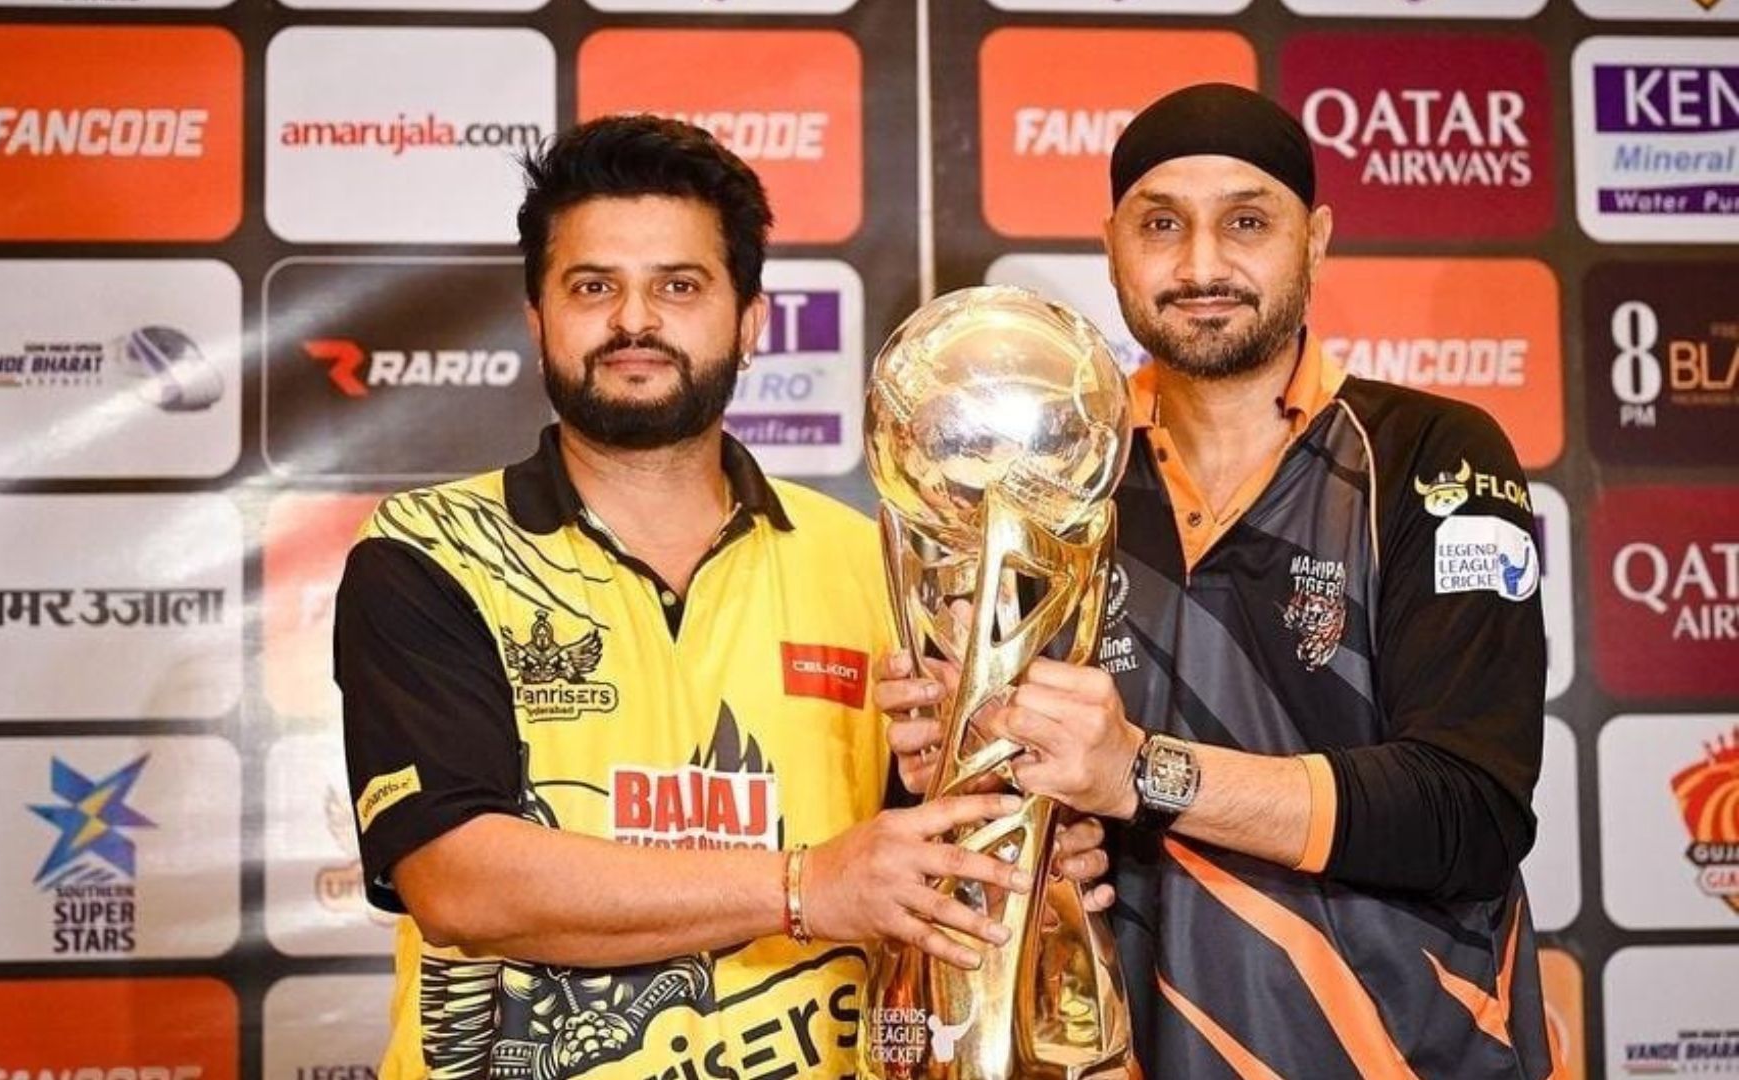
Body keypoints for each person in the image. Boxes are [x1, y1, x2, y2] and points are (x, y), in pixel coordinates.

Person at [332, 115, 1036, 1080]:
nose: (634, 321)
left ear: (749, 322)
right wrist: (806, 887)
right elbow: (459, 883)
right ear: (536, 320)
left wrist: (1005, 838)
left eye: (678, 285)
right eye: (593, 287)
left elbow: (929, 868)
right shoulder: (429, 551)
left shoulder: (877, 564)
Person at [880, 84, 1560, 1078]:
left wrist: (1139, 771)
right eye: (1162, 224)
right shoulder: (1051, 492)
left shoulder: (1430, 452)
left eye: (1247, 221)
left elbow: (1468, 812)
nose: (1202, 265)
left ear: (1315, 239)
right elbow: (1033, 842)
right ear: (1111, 245)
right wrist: (977, 773)